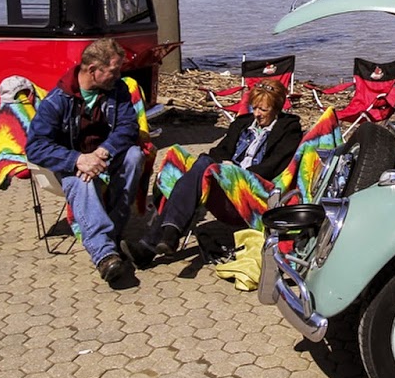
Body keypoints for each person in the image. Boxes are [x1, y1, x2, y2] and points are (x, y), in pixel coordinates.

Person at [132, 78, 301, 265]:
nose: (257, 114)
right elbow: (219, 151)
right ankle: (164, 238)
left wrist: (236, 173)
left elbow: (274, 165)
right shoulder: (243, 123)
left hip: (252, 190)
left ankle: (154, 242)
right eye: (254, 108)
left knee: (200, 169)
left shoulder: (289, 129)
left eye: (263, 109)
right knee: (185, 164)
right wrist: (224, 167)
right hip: (224, 181)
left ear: (276, 109)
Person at [26, 38, 149, 285]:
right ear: (93, 70)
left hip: (105, 156)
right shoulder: (57, 101)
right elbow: (35, 146)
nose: (119, 75)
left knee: (135, 156)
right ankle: (105, 256)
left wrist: (102, 152)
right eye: (114, 71)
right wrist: (78, 159)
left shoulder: (118, 90)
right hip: (73, 163)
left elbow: (128, 126)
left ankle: (112, 233)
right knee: (80, 182)